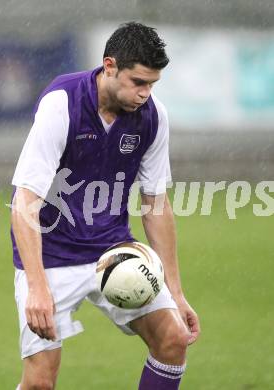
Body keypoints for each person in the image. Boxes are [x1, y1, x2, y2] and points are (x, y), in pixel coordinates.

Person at [11, 21, 200, 390]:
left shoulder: (153, 117)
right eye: (138, 82)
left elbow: (155, 203)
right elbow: (24, 202)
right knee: (39, 383)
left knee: (173, 340)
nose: (146, 93)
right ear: (109, 66)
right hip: (51, 257)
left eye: (152, 84)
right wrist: (36, 286)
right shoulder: (61, 103)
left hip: (116, 254)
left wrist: (176, 292)